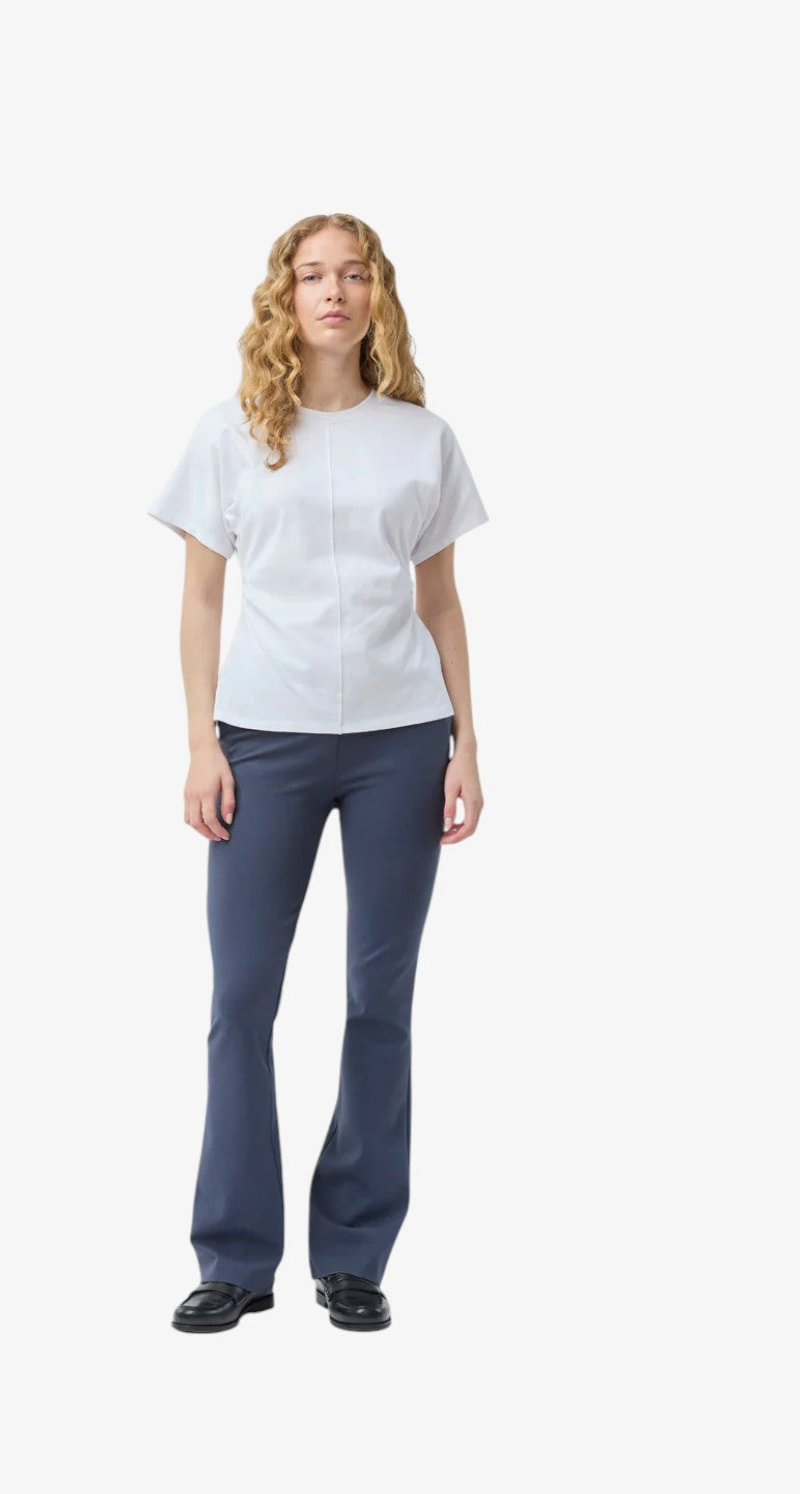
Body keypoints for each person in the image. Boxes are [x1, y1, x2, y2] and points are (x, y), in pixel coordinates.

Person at [147, 212, 490, 1334]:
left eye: (352, 274)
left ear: (377, 293)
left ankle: (353, 1256)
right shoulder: (233, 432)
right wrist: (201, 743)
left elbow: (441, 603)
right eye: (311, 275)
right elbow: (201, 600)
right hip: (264, 739)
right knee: (241, 998)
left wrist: (467, 746)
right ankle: (235, 1258)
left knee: (377, 999)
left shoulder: (421, 439)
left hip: (401, 743)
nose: (332, 291)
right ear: (284, 296)